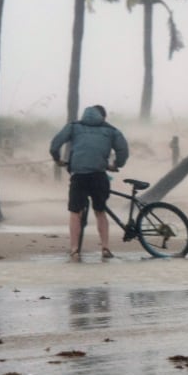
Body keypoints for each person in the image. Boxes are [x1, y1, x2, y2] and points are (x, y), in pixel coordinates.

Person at [49, 105, 129, 262]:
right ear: (103, 117)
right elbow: (123, 150)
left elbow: (55, 144)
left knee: (75, 213)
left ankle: (74, 251)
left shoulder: (74, 127)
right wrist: (116, 165)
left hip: (79, 175)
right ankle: (105, 248)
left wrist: (57, 159)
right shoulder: (111, 130)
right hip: (99, 175)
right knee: (100, 211)